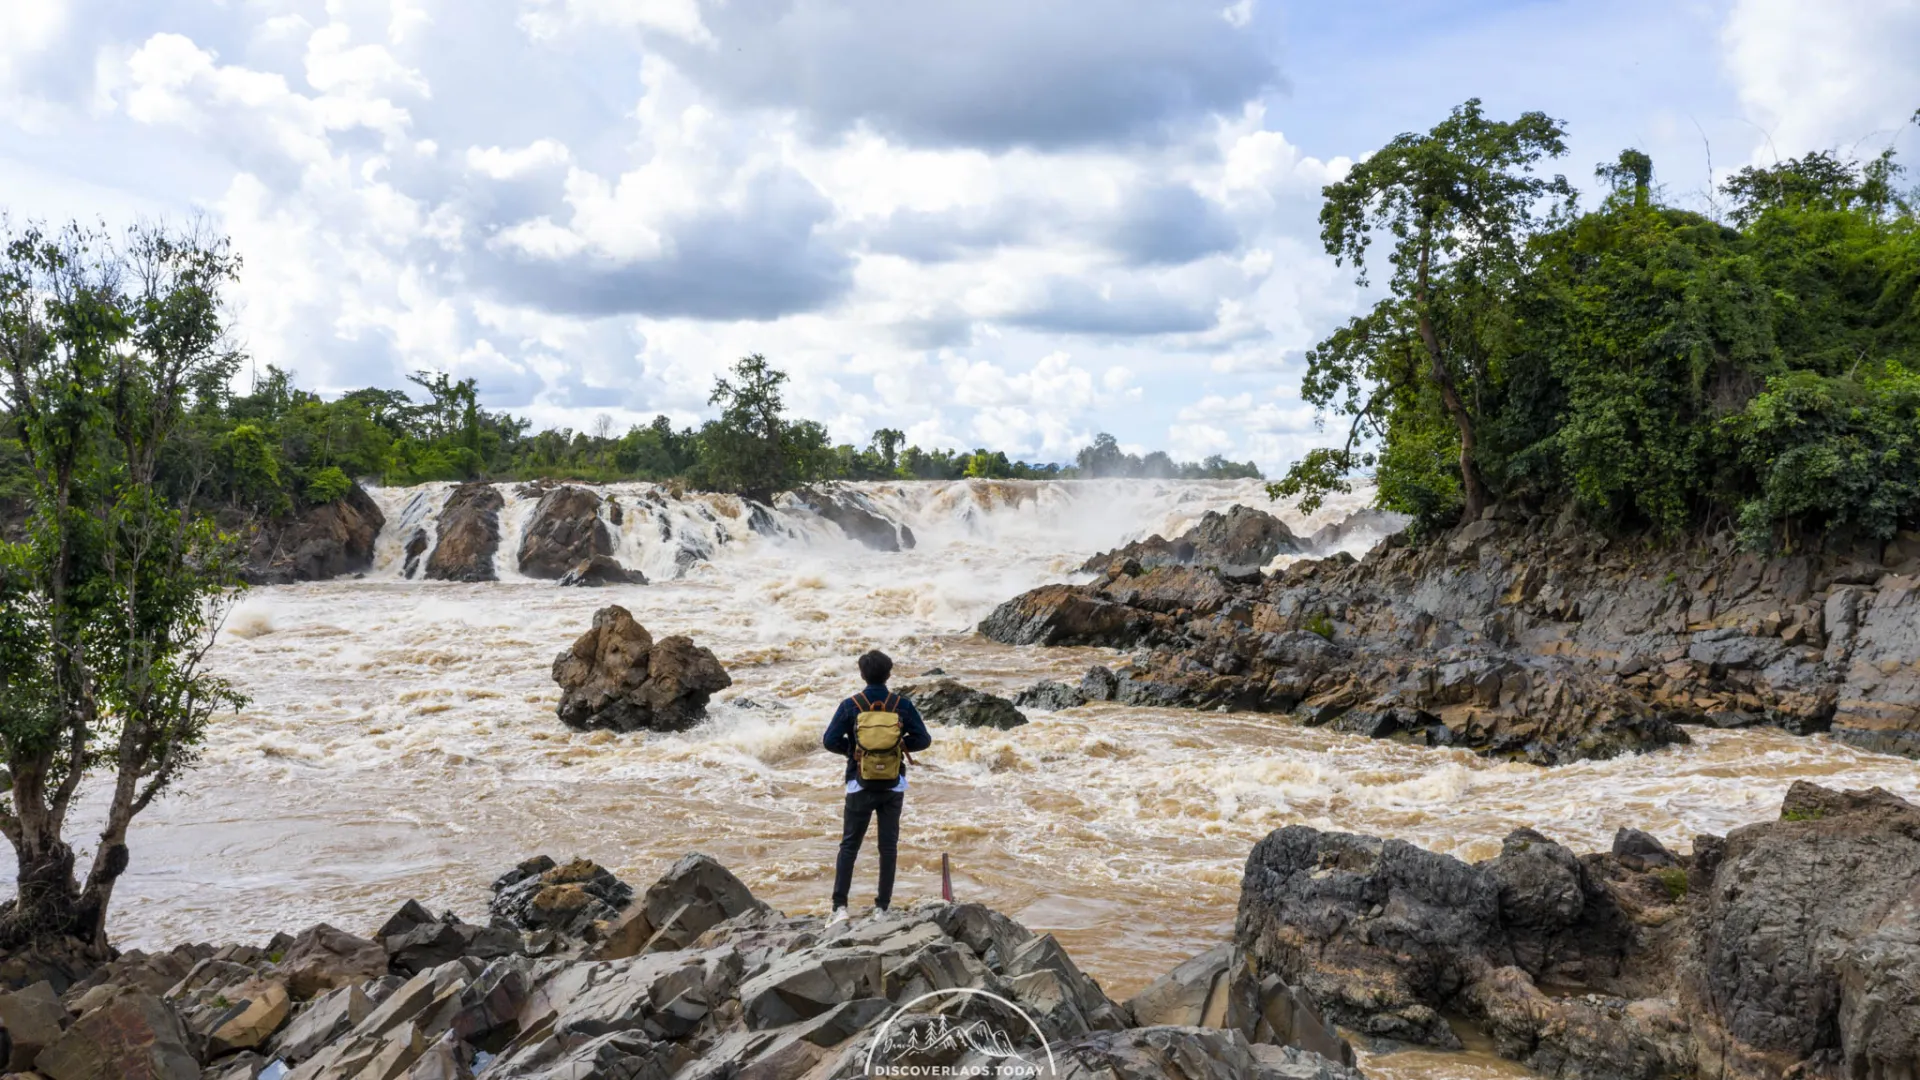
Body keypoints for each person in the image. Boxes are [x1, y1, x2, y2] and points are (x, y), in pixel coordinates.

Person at [821, 649, 932, 925]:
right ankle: (882, 909)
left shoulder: (851, 704)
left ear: (862, 674)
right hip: (893, 785)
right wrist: (900, 745)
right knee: (888, 848)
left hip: (859, 783)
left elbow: (829, 740)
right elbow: (924, 739)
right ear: (889, 674)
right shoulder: (901, 705)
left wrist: (853, 752)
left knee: (849, 846)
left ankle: (839, 909)